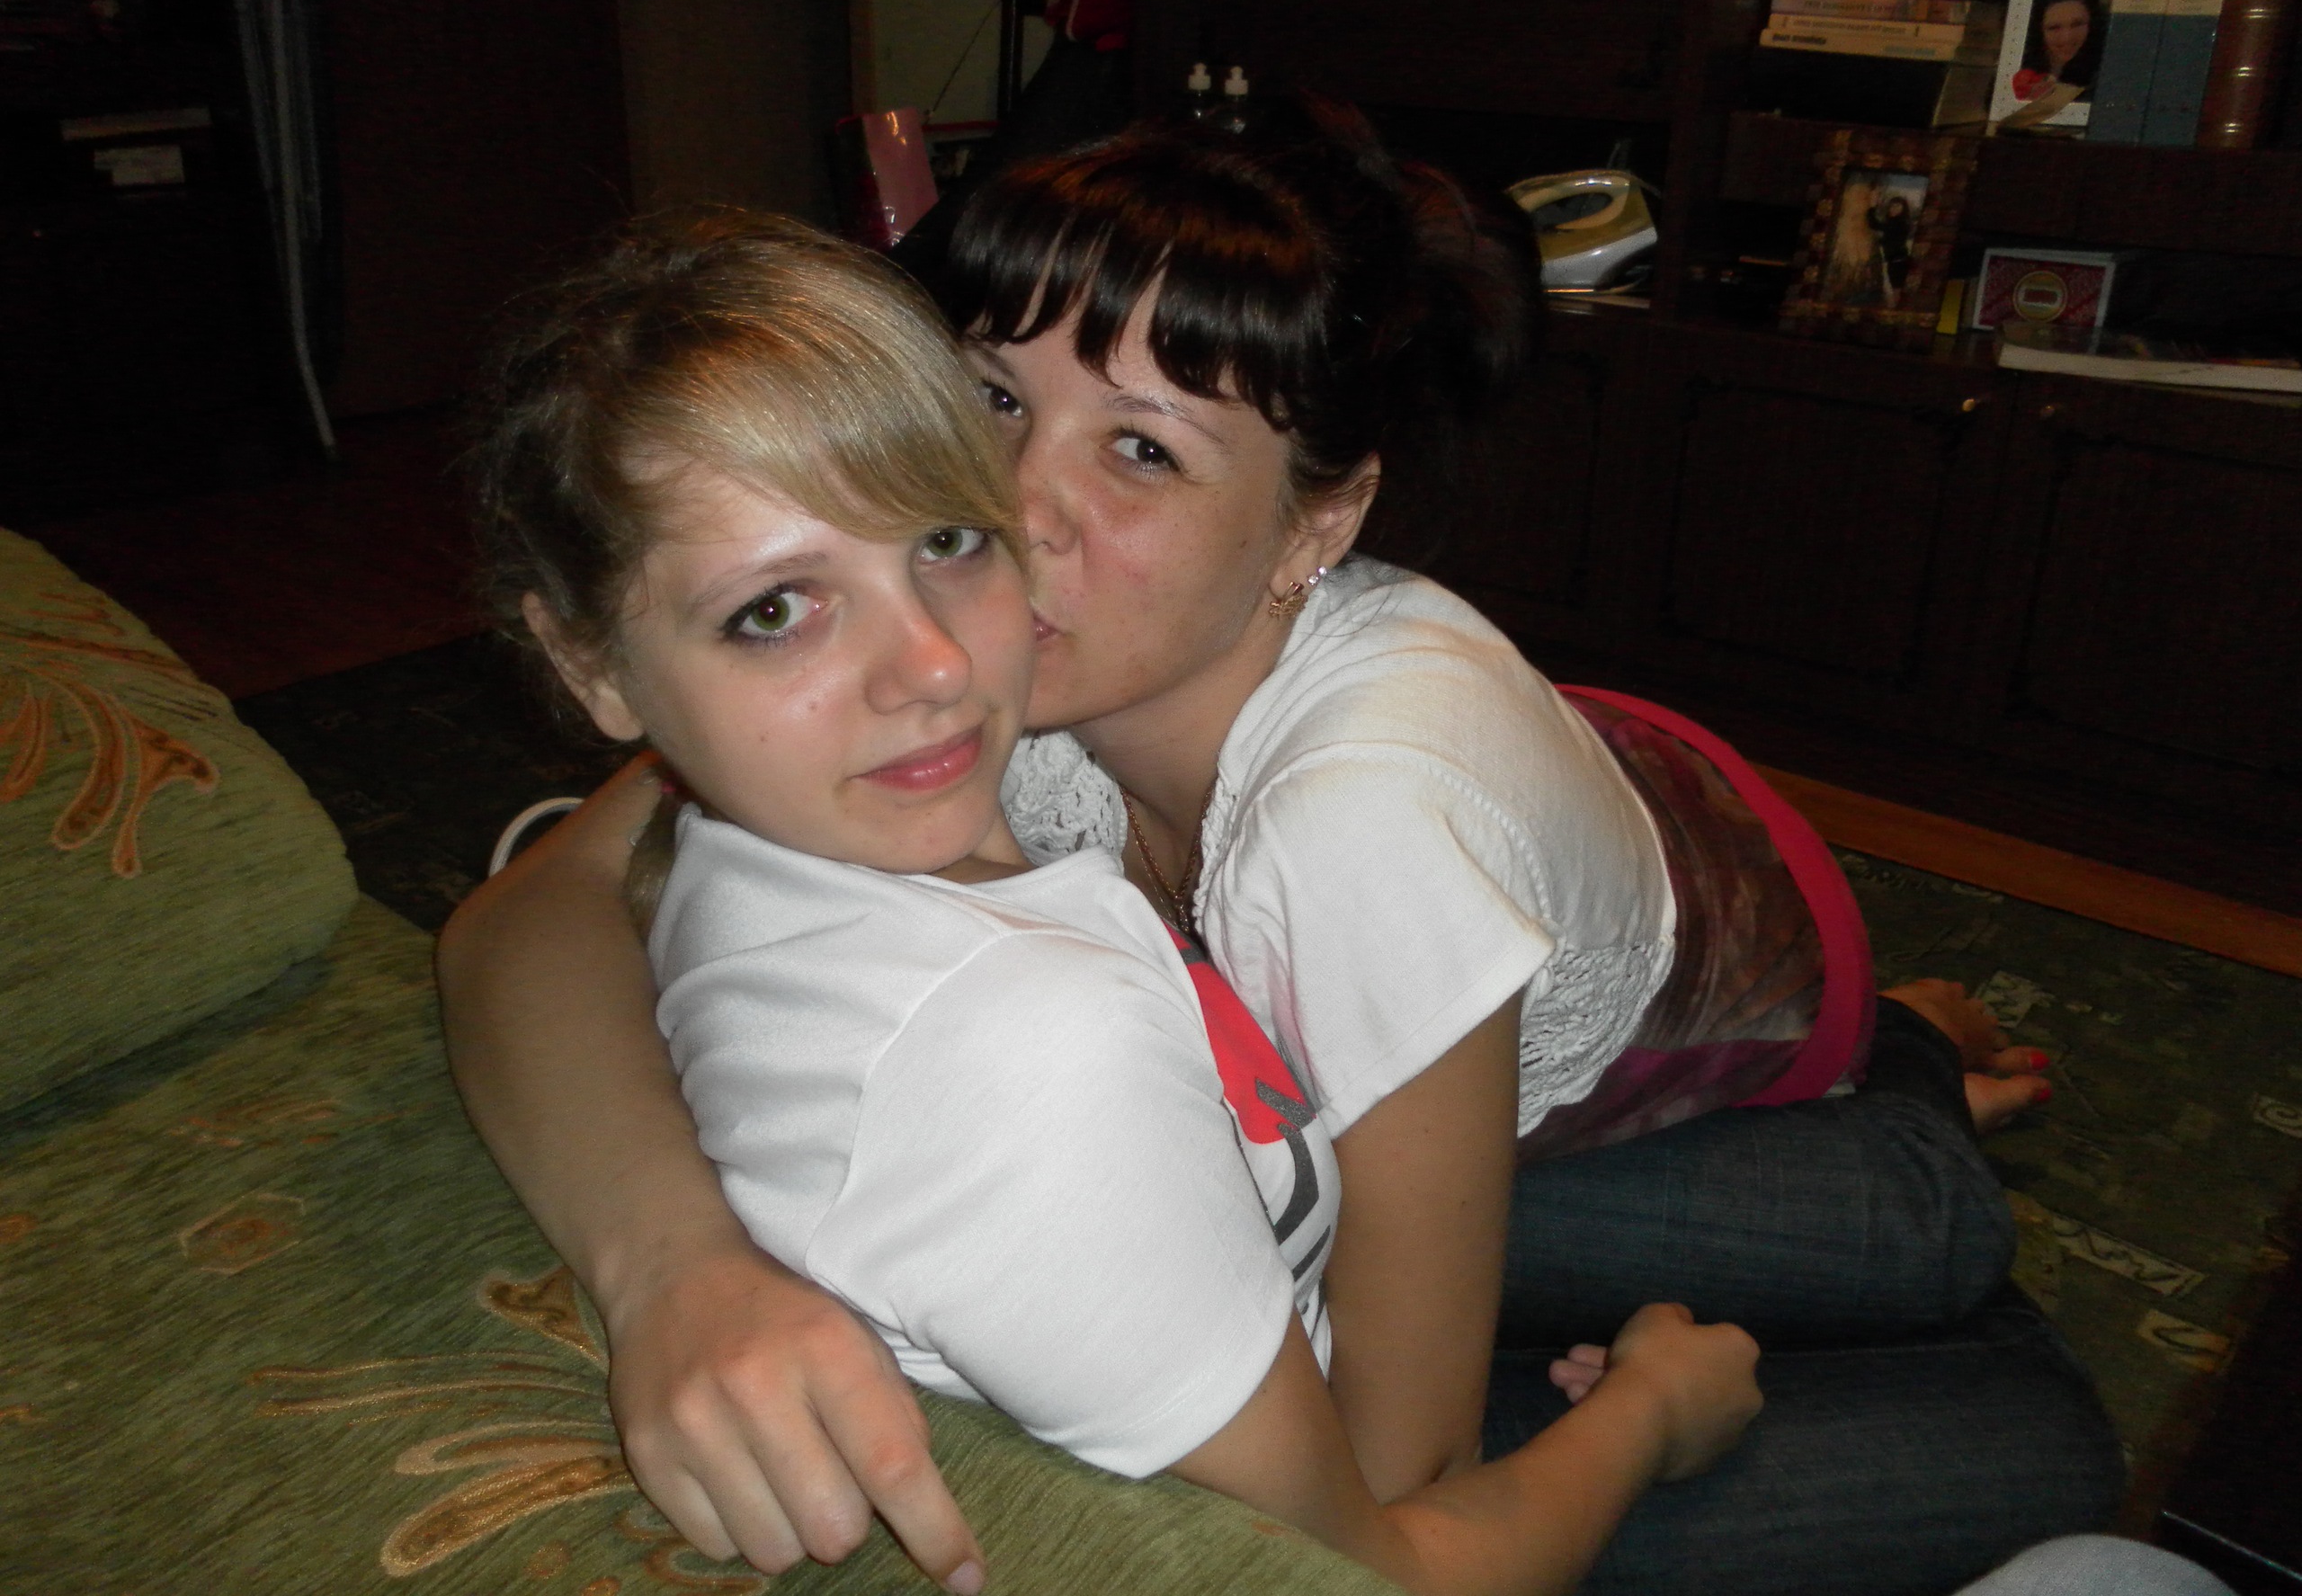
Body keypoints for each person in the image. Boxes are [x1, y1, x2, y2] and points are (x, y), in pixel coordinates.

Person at [439, 105, 2119, 1596]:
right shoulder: (930, 638)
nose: (1013, 507)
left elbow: (1393, 1491)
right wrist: (675, 1271)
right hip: (1453, 931)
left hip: (1696, 997)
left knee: (1952, 1283)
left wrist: (1637, 1426)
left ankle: (1907, 1074)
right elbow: (529, 916)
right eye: (990, 400)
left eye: (1142, 450)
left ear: (1319, 520)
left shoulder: (1357, 828)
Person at [2013, 0, 2105, 102]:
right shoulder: (2017, 66)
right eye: (2054, 28)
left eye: (2077, 24)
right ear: (2039, 31)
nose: (2066, 37)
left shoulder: (2103, 74)